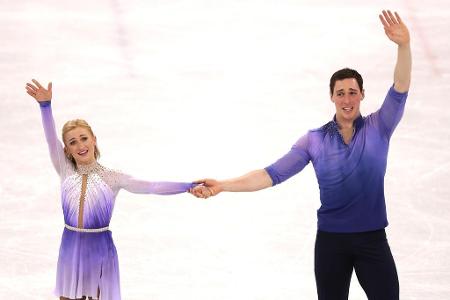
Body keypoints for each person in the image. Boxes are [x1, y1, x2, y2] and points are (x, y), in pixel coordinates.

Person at [190, 10, 411, 300]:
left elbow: (400, 87)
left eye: (352, 92)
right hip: (331, 244)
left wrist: (404, 47)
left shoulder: (379, 127)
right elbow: (271, 174)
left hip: (372, 239)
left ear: (362, 95)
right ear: (332, 96)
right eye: (341, 92)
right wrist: (223, 185)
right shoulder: (315, 140)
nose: (347, 99)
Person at [25, 79, 196, 300]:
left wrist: (188, 186)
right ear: (66, 149)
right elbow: (50, 141)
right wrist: (45, 107)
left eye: (84, 138)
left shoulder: (112, 177)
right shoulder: (65, 168)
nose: (80, 145)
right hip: (70, 246)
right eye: (73, 142)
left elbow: (152, 186)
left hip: (99, 249)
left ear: (94, 140)